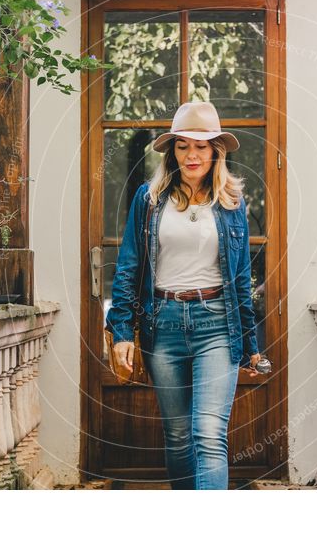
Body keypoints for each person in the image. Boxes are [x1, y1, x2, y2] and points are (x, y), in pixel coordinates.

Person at [105, 101, 261, 490]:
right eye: (183, 146)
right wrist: (122, 331)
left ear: (216, 151)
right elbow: (128, 266)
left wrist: (250, 343)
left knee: (208, 435)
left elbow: (241, 278)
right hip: (164, 322)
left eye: (202, 146)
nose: (192, 155)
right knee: (177, 437)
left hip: (217, 323)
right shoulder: (149, 199)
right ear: (172, 151)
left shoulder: (231, 203)